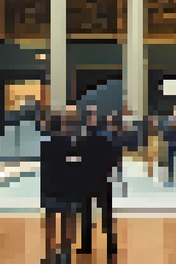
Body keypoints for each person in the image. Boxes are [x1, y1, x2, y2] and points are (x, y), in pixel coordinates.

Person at [40, 108, 81, 264]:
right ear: (62, 125)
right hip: (66, 186)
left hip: (49, 186)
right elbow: (75, 163)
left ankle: (49, 251)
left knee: (50, 220)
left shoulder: (44, 145)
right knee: (67, 219)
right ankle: (65, 251)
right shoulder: (69, 143)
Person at [76, 112, 117, 257]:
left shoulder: (81, 140)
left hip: (87, 180)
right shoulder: (107, 140)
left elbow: (77, 160)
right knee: (107, 214)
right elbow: (114, 161)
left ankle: (87, 246)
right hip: (102, 180)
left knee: (86, 215)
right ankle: (111, 245)